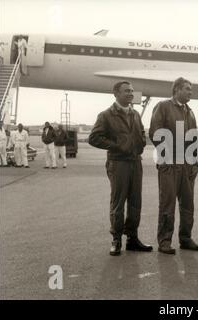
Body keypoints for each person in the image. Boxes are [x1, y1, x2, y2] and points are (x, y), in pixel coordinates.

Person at [89, 80, 152, 256]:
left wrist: (141, 143)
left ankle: (132, 238)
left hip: (135, 162)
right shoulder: (106, 115)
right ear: (116, 94)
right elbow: (94, 138)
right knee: (118, 203)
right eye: (126, 91)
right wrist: (117, 145)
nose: (130, 94)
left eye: (132, 91)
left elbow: (140, 133)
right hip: (118, 163)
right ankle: (116, 239)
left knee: (135, 203)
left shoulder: (136, 114)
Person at [149, 77, 198, 254]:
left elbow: (194, 138)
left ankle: (186, 238)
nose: (190, 92)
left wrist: (196, 162)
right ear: (177, 90)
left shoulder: (190, 111)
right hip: (170, 164)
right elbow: (155, 133)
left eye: (191, 89)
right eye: (187, 89)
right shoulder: (163, 107)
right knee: (167, 203)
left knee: (188, 204)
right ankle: (165, 241)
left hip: (187, 166)